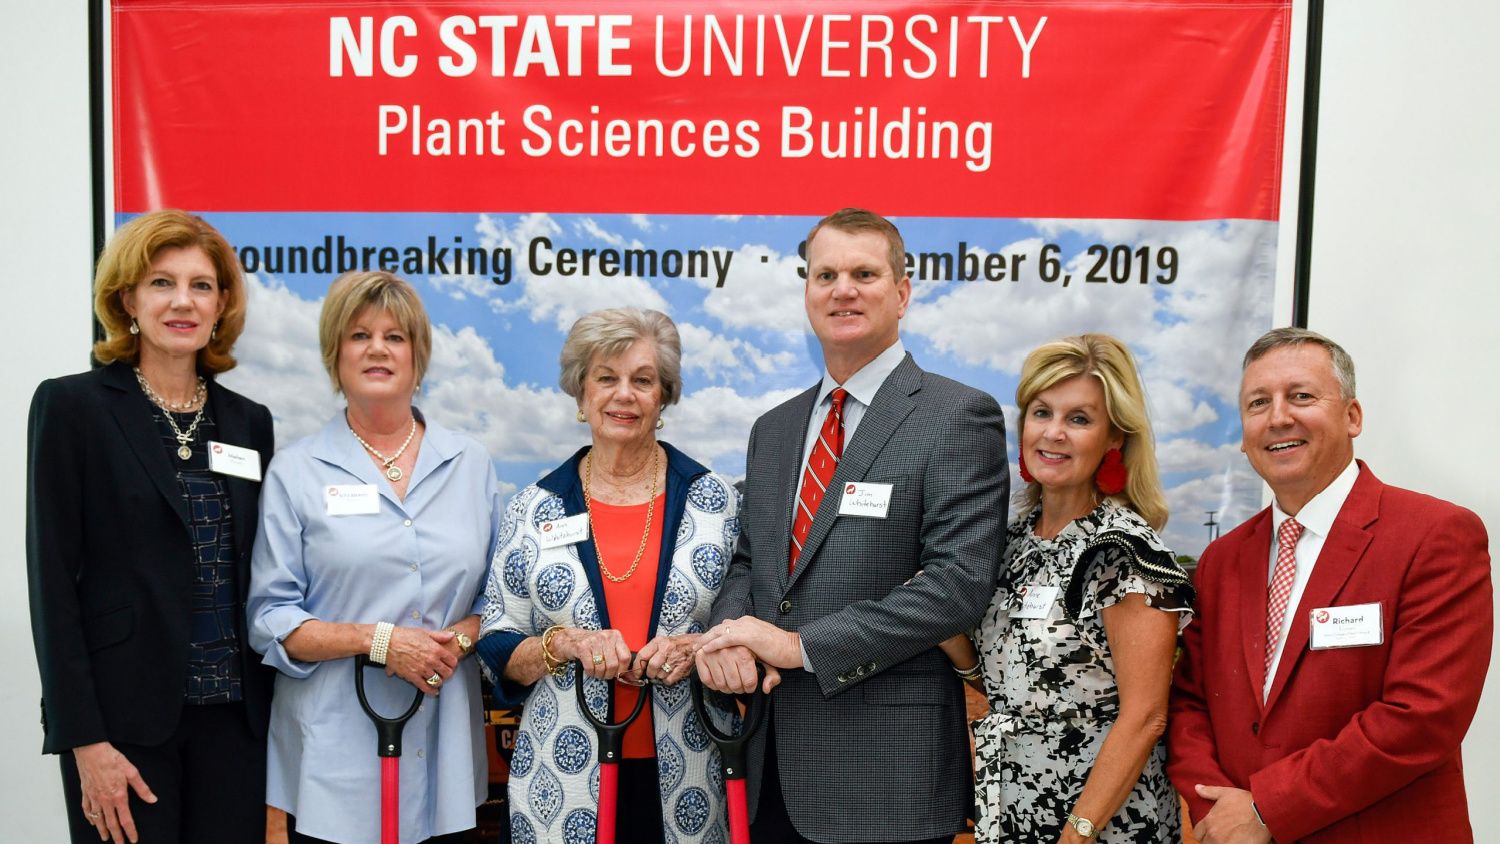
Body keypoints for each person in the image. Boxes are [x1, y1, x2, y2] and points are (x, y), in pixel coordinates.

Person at [695, 208, 1008, 843]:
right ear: (807, 291)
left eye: (864, 273)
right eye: (825, 274)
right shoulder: (774, 430)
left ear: (902, 292)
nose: (843, 289)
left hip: (887, 778)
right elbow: (753, 564)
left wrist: (798, 646)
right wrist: (730, 635)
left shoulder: (958, 416)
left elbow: (957, 586)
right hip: (768, 763)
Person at [1168, 327, 1493, 843]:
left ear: (1352, 416)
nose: (1278, 417)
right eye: (1258, 403)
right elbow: (1189, 705)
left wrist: (1268, 810)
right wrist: (1218, 810)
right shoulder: (1220, 560)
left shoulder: (1436, 535)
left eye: (1301, 396)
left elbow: (1422, 717)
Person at [27, 209, 274, 844]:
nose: (182, 302)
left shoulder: (249, 422)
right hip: (124, 727)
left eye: (201, 285)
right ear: (128, 298)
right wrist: (84, 739)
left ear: (222, 304)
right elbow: (52, 583)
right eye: (162, 283)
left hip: (235, 726)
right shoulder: (73, 408)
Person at [248, 270, 499, 844]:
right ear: (335, 354)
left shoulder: (471, 463)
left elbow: (502, 599)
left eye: (395, 336)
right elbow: (270, 619)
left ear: (418, 355)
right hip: (334, 753)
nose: (378, 349)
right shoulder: (297, 470)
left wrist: (454, 642)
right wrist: (380, 641)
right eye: (360, 335)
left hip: (443, 752)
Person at [475, 307, 741, 844]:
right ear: (580, 395)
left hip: (692, 771)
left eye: (643, 380)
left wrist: (698, 645)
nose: (624, 394)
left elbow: (749, 614)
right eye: (606, 378)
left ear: (663, 396)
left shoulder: (717, 502)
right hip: (562, 778)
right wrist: (563, 644)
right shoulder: (535, 507)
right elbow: (496, 638)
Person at [960, 334, 1193, 842]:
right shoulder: (1011, 545)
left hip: (1101, 821)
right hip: (1014, 808)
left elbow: (1146, 715)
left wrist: (1079, 832)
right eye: (1042, 413)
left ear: (1115, 438)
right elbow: (1008, 681)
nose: (1054, 433)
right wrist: (932, 606)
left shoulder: (1124, 552)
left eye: (1079, 419)